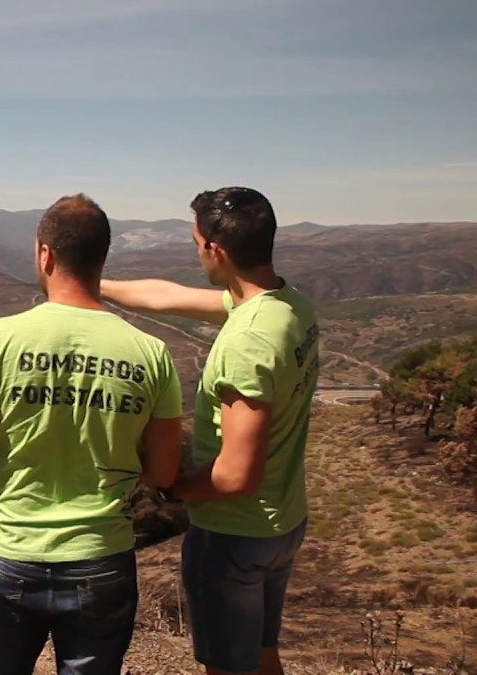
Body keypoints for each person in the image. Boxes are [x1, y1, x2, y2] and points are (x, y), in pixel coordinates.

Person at [0, 194, 184, 675]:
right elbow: (163, 472)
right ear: (102, 258)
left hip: (13, 550)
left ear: (45, 254)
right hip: (102, 556)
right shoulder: (152, 353)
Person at [101, 187, 320, 675]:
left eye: (197, 243)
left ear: (215, 250)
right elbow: (168, 297)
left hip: (233, 532)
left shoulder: (247, 343)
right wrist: (93, 283)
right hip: (283, 521)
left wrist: (173, 487)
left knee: (226, 667)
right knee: (262, 654)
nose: (197, 251)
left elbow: (237, 475)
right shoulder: (290, 306)